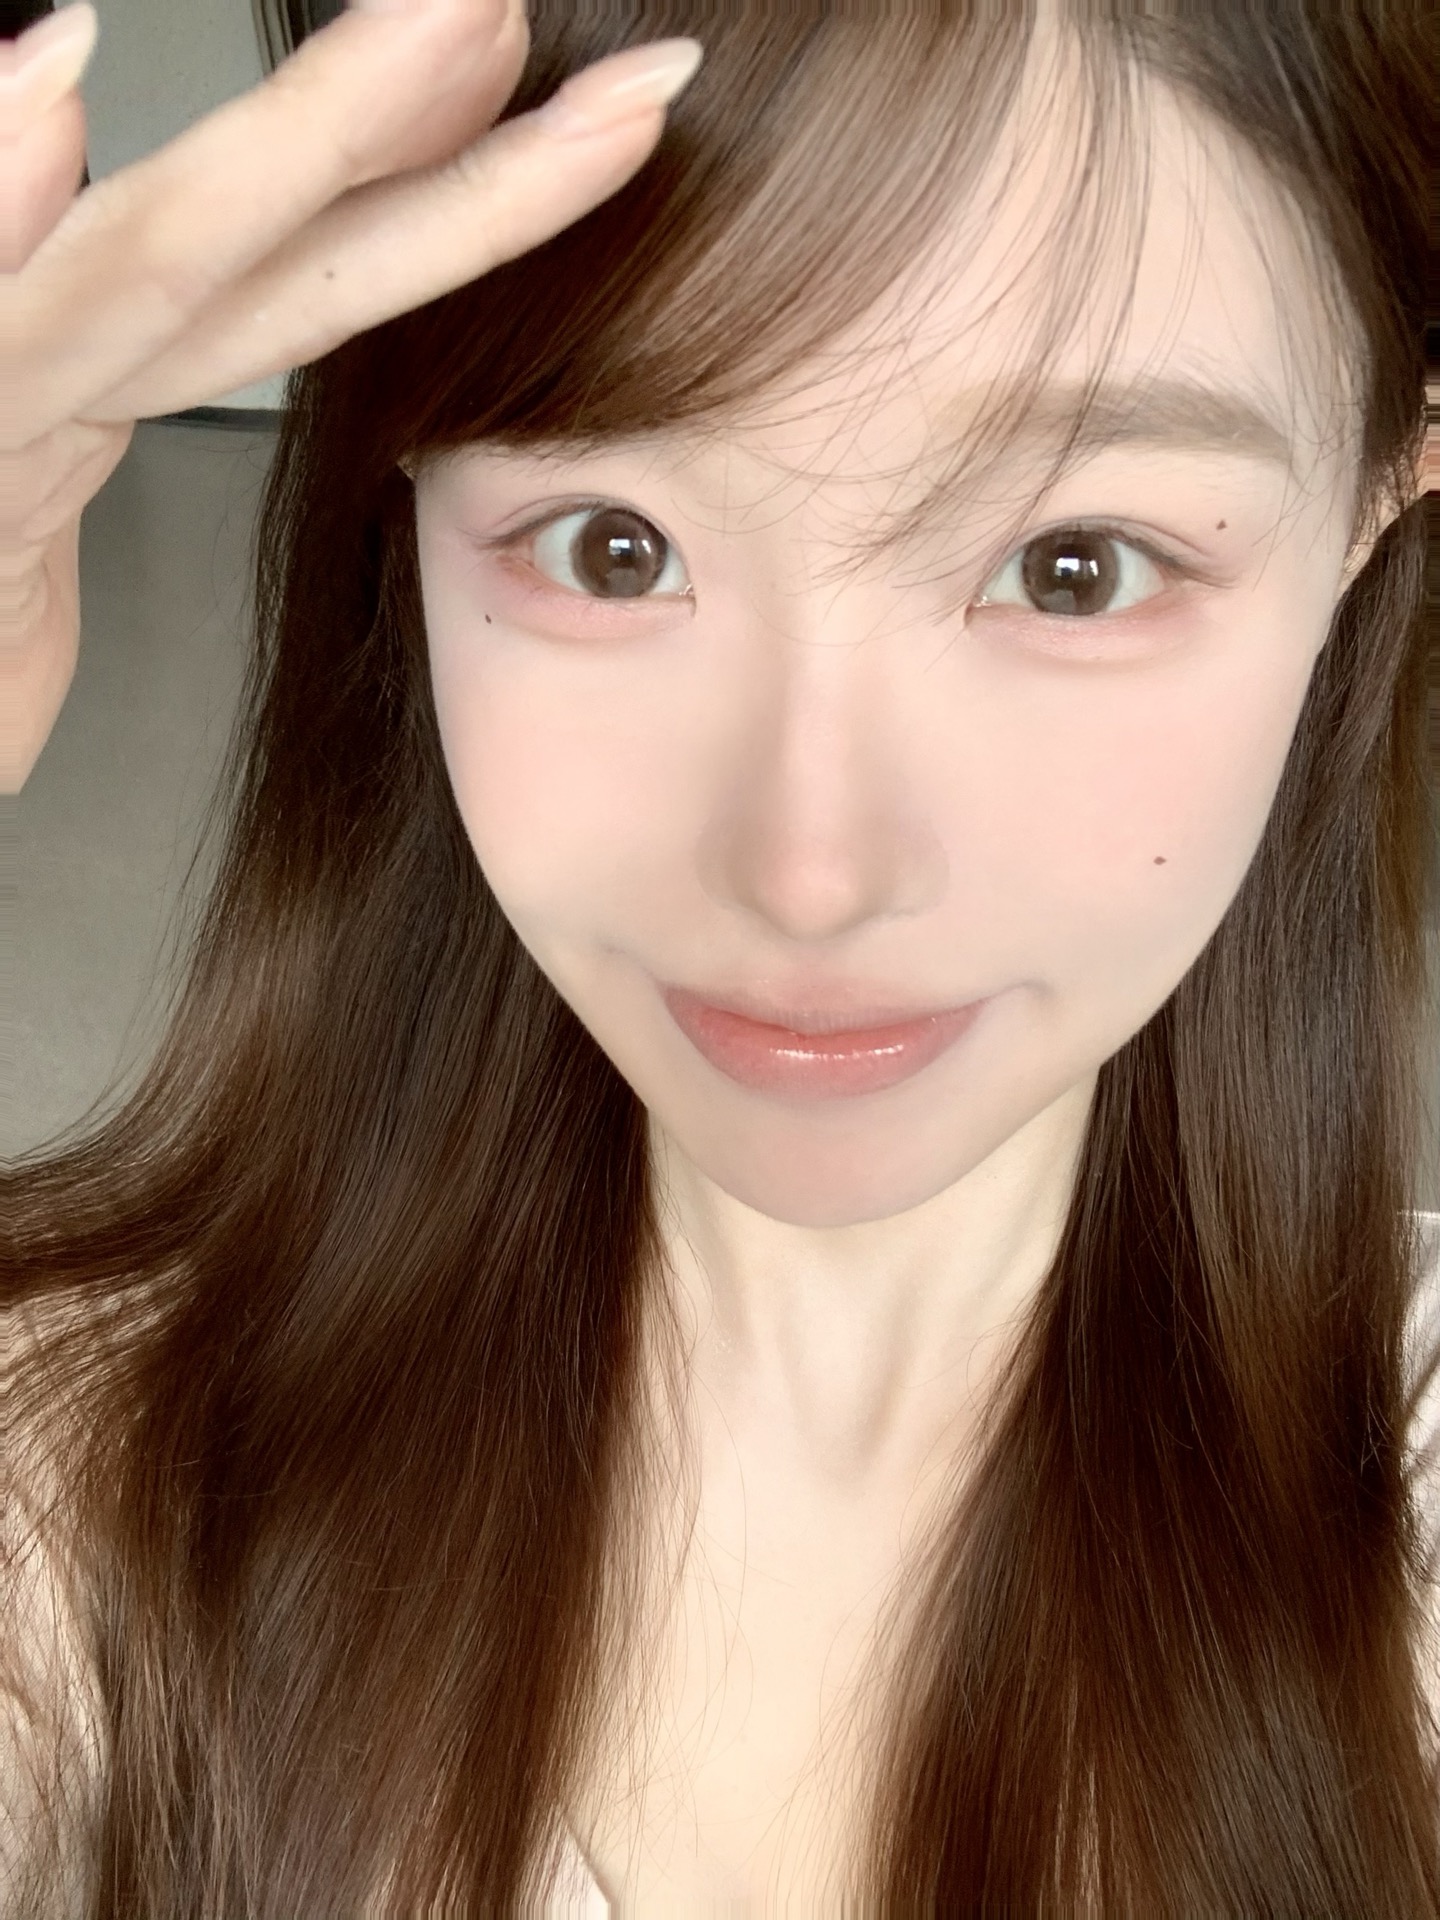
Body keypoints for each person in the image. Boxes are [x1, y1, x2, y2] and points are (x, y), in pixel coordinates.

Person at [4, 1, 1437, 1912]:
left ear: (1382, 487)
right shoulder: (67, 1495)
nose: (808, 873)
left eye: (1074, 566)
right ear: (402, 500)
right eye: (611, 546)